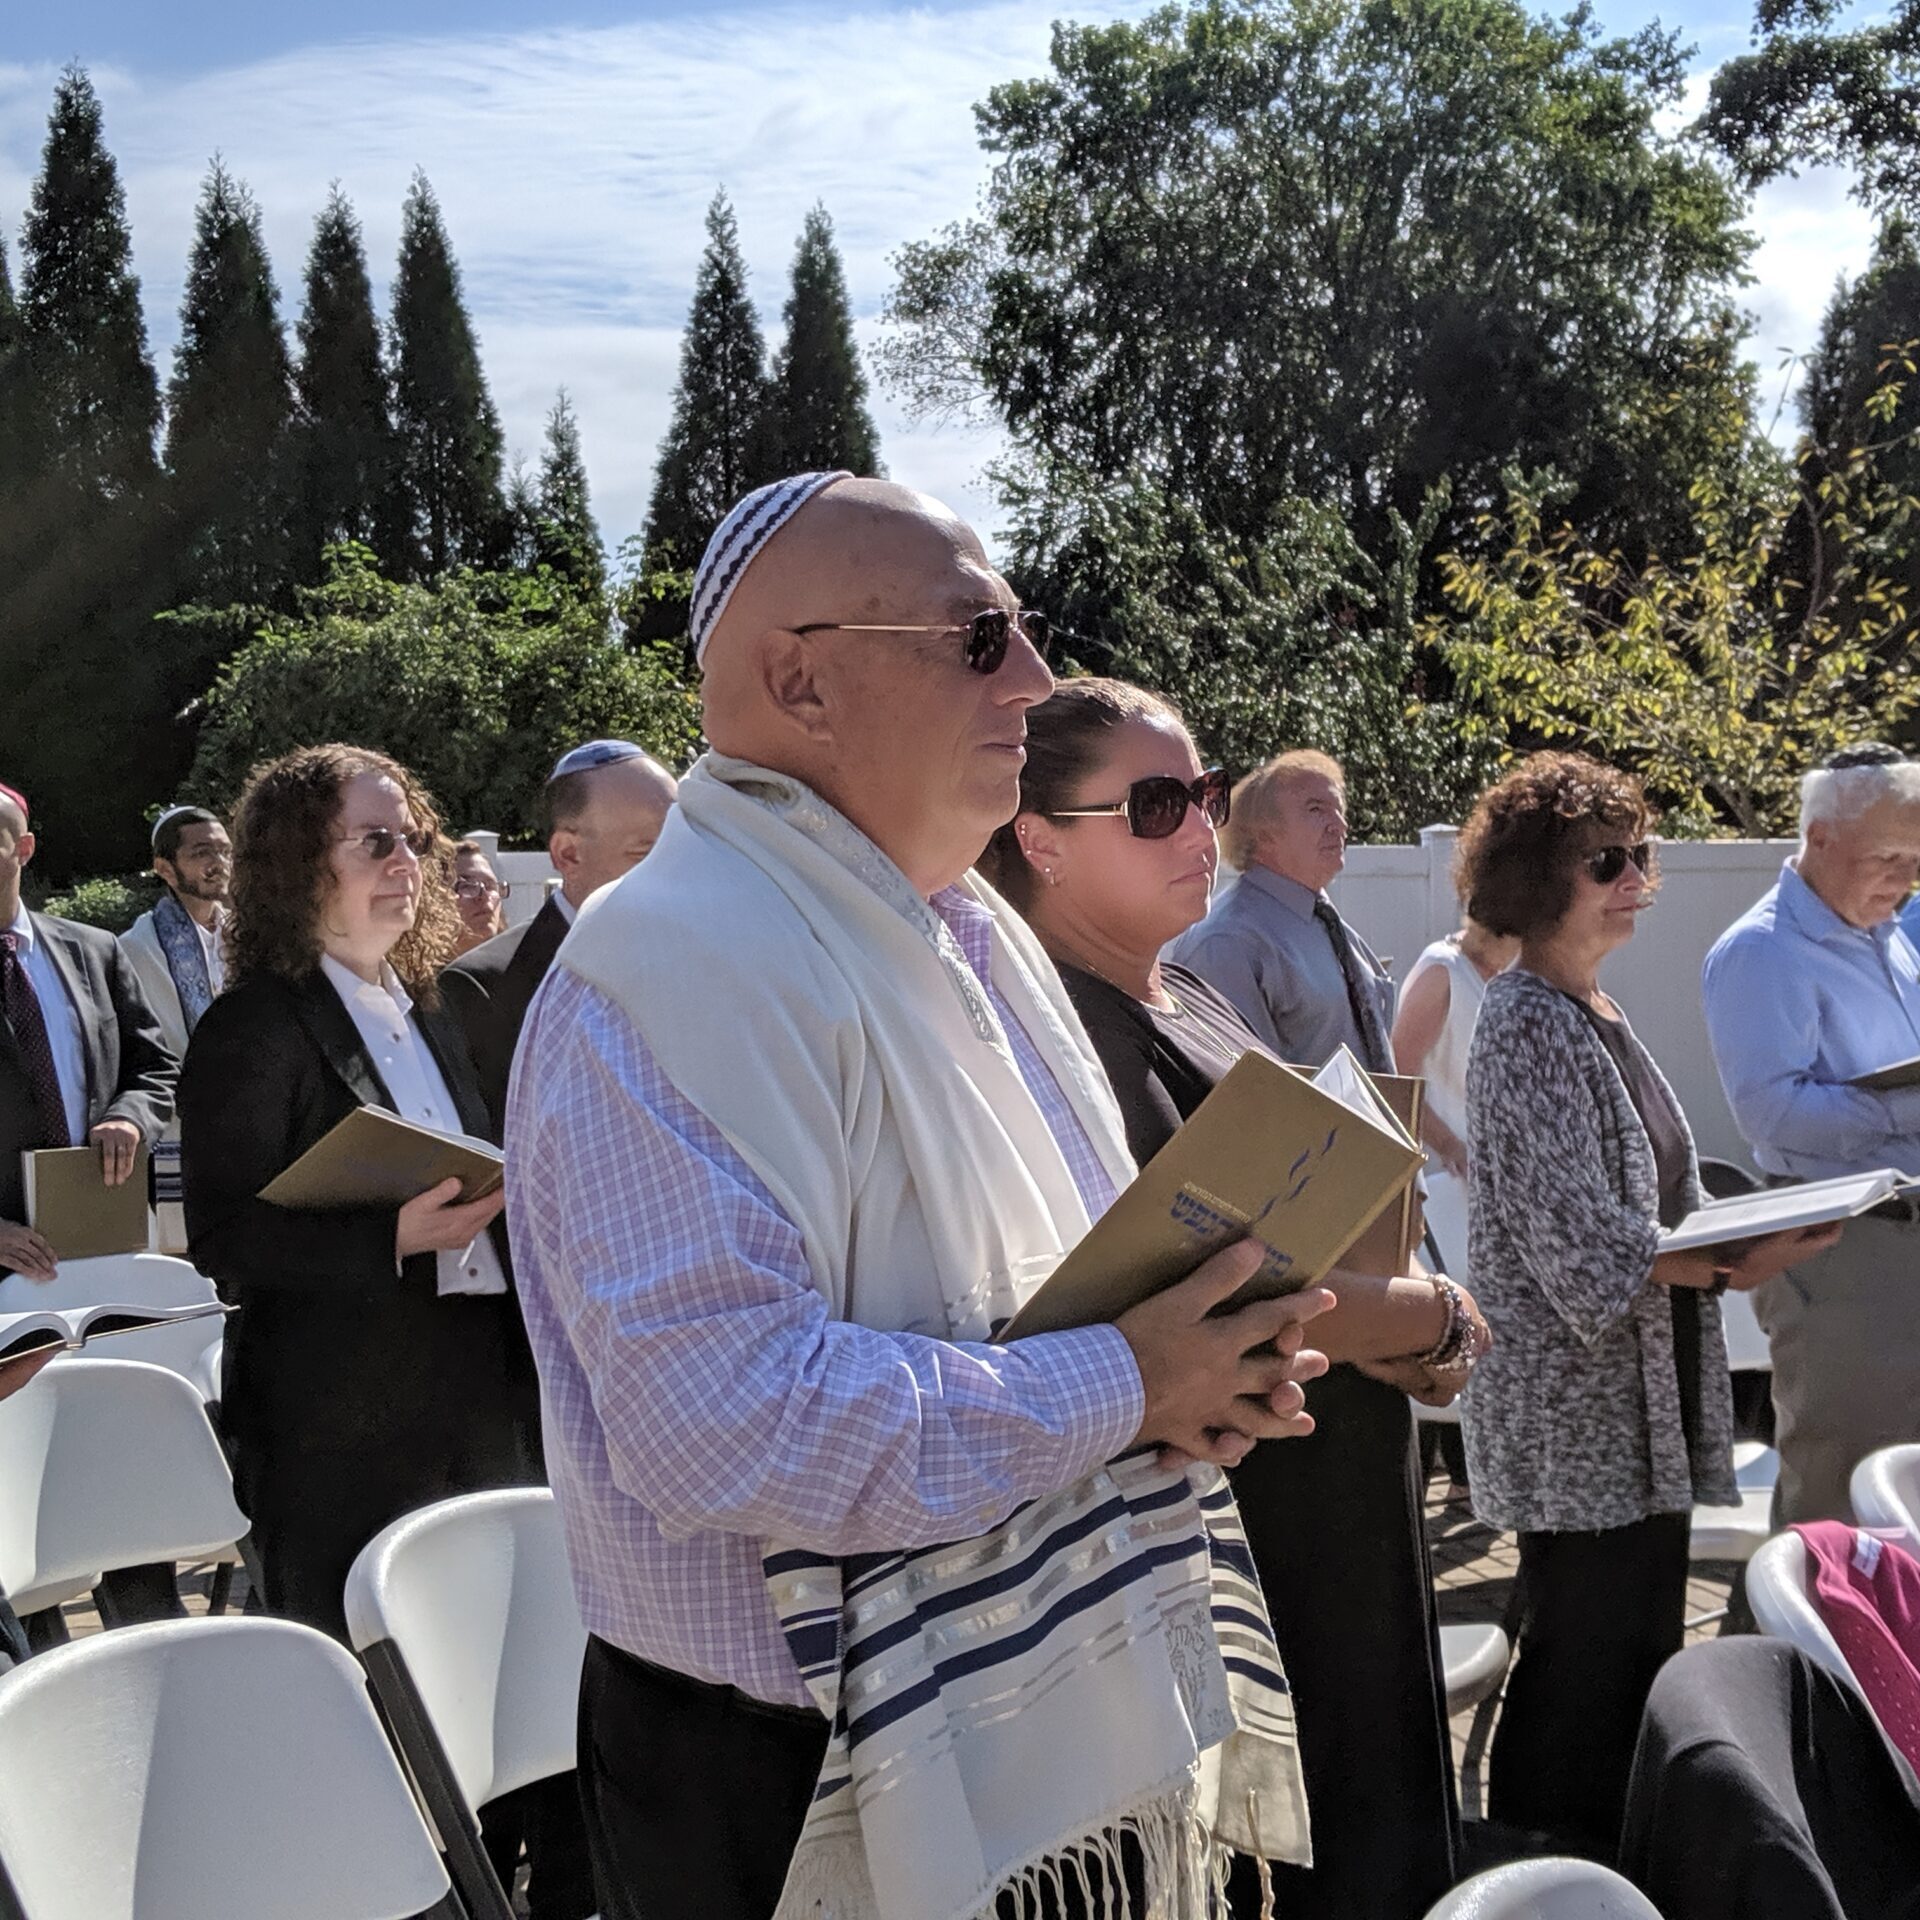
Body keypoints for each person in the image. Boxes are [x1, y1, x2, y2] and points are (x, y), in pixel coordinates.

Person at [507, 472, 1333, 1920]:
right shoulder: (660, 971)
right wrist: (1125, 1388)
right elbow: (727, 1426)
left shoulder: (965, 930)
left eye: (1024, 627)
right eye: (975, 638)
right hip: (781, 1779)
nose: (1034, 676)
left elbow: (1063, 1293)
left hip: (1011, 1726)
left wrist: (1195, 1374)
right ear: (795, 679)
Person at [979, 676, 1490, 1920]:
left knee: (1383, 1812)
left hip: (1341, 1473)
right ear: (1040, 839)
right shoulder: (1059, 1037)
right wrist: (1431, 1321)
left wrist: (1408, 1319)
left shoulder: (1185, 990)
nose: (1200, 828)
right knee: (1315, 1852)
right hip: (1237, 1520)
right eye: (1155, 804)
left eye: (1203, 794)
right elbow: (1218, 1294)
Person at [1457, 752, 1839, 1860]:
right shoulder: (1526, 1018)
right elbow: (1575, 1237)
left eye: (1640, 854)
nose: (1637, 876)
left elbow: (1665, 1194)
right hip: (1574, 1405)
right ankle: (1539, 1854)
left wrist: (1749, 1239)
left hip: (1636, 1396)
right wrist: (1726, 1261)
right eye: (1606, 860)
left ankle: (1606, 1851)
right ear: (1538, 881)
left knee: (1624, 1644)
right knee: (1585, 1652)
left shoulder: (1592, 1009)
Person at [176, 744, 544, 1646]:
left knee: (494, 1676)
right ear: (300, 864)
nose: (406, 864)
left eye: (414, 839)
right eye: (374, 842)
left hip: (478, 1388)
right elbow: (223, 1240)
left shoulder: (429, 1004)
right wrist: (391, 1237)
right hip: (339, 1419)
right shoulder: (254, 1024)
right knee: (370, 1696)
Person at [1702, 743, 1920, 1524]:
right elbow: (1772, 1114)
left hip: (1897, 1234)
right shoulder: (1762, 952)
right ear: (1818, 837)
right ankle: (1799, 1644)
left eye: (1915, 858)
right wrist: (1906, 1112)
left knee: (1903, 1487)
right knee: (1839, 1477)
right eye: (1889, 856)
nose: (1904, 878)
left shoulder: (1886, 935)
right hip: (1842, 1250)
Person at [0, 777, 181, 1634]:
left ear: (23, 849)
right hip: (6, 1265)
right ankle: (33, 1637)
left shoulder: (93, 952)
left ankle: (144, 1606)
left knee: (120, 1430)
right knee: (24, 1466)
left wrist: (127, 1116)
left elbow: (156, 1071)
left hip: (102, 1247)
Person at [442, 740, 678, 1131]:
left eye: (680, 849)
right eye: (646, 853)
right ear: (568, 854)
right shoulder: (484, 988)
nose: (674, 871)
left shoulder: (698, 962)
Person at [1169, 748, 1395, 1069]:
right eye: (1316, 809)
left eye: (1340, 809)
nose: (1339, 825)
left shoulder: (1328, 925)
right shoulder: (1226, 943)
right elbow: (1249, 1088)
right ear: (1264, 834)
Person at [121, 804, 231, 1251]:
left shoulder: (250, 937)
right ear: (164, 868)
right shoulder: (134, 948)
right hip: (180, 1128)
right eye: (201, 852)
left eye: (224, 850)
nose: (218, 863)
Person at [1391, 909, 1518, 1277]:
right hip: (1445, 1195)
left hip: (1493, 1198)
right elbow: (1397, 1079)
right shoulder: (1441, 972)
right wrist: (1448, 1145)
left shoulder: (1510, 976)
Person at [448, 840, 507, 957]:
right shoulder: (419, 971)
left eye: (490, 886)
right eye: (467, 886)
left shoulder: (517, 967)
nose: (484, 896)